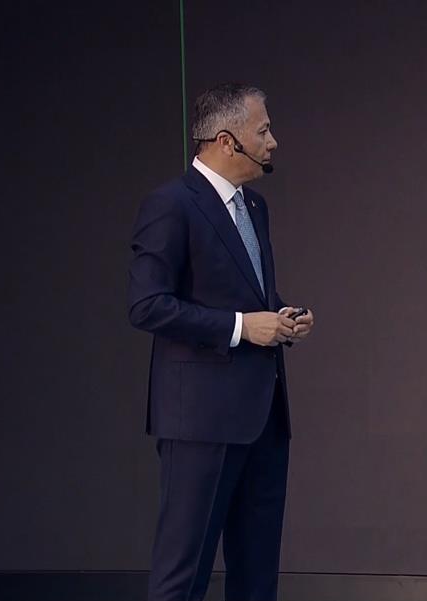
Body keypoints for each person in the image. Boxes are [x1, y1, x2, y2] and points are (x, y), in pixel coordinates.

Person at [128, 83, 314, 601]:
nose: (273, 141)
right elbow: (146, 304)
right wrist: (240, 327)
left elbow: (248, 294)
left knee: (257, 577)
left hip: (264, 419)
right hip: (200, 423)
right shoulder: (171, 205)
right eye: (263, 131)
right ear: (228, 141)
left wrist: (281, 316)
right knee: (183, 576)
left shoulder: (254, 206)